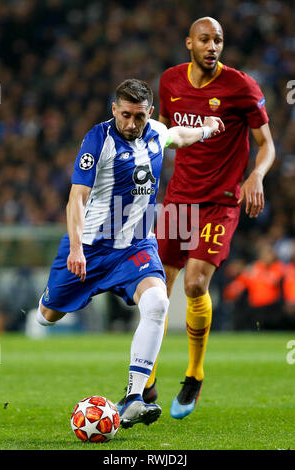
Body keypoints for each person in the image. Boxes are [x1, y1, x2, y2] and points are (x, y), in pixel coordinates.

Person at [36, 78, 224, 429]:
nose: (131, 124)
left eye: (139, 116)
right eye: (125, 115)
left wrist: (208, 128)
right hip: (91, 247)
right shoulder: (98, 140)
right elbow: (76, 197)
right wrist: (76, 248)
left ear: (149, 113)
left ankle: (134, 396)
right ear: (114, 110)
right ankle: (58, 295)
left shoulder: (154, 132)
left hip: (136, 245)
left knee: (157, 304)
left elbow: (179, 136)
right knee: (47, 316)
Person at [123, 17, 275, 420]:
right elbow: (168, 134)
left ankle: (193, 374)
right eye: (205, 39)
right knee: (157, 288)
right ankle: (145, 383)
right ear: (189, 42)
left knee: (193, 285)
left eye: (219, 40)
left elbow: (267, 145)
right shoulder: (170, 82)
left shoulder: (242, 87)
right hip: (178, 199)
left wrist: (256, 175)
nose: (213, 46)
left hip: (221, 202)